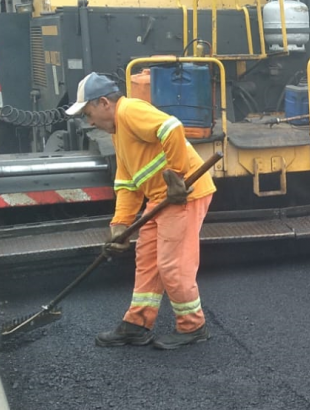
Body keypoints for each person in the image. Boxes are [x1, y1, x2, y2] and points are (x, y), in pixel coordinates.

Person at [65, 72, 217, 348]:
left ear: (103, 103)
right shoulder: (118, 133)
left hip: (183, 196)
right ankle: (137, 324)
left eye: (88, 112)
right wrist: (120, 225)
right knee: (147, 260)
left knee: (173, 264)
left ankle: (193, 326)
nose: (89, 121)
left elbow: (171, 127)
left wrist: (176, 174)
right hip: (159, 199)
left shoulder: (130, 110)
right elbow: (127, 181)